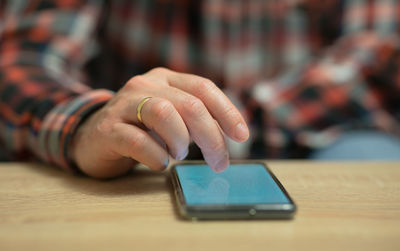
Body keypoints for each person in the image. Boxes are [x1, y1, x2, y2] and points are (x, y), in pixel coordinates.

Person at [1, 0, 399, 178]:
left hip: (316, 138)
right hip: (129, 156)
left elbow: (374, 63)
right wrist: (87, 122)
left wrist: (202, 128)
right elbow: (20, 59)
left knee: (370, 160)